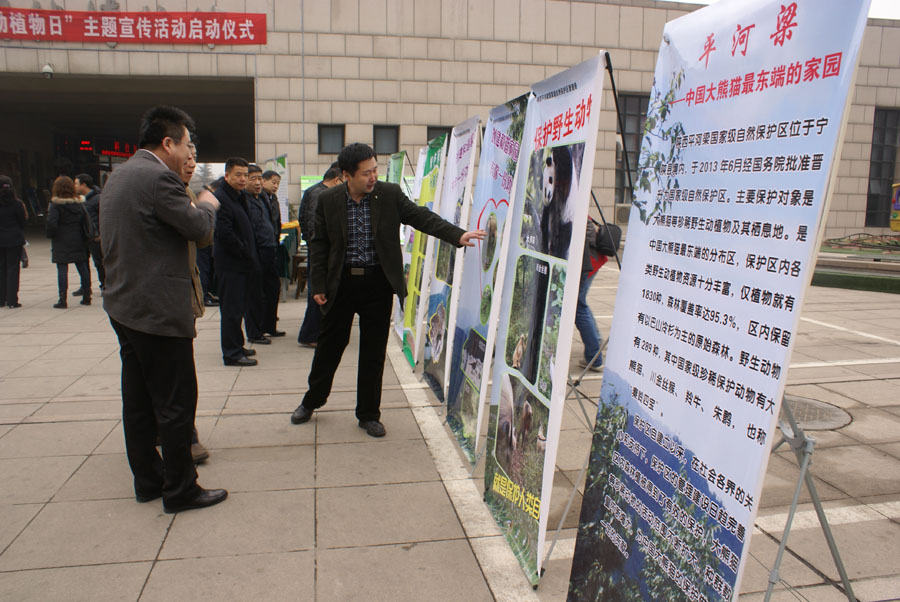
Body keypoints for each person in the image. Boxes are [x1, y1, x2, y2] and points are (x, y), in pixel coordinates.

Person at [290, 143, 484, 437]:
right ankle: (312, 400)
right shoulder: (328, 201)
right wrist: (318, 284)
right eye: (366, 173)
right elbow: (319, 245)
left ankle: (369, 414)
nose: (372, 177)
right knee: (329, 349)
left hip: (377, 285)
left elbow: (421, 217)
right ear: (346, 175)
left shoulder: (388, 194)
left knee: (373, 352)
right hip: (340, 285)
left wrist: (458, 235)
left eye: (375, 170)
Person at [100, 105, 226, 513]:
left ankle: (148, 481)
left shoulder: (120, 175)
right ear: (168, 143)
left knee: (138, 403)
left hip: (124, 305)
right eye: (188, 145)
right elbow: (200, 231)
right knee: (175, 405)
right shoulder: (160, 179)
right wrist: (207, 203)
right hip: (157, 312)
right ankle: (181, 490)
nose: (190, 153)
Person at [179, 144, 212, 464]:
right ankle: (184, 437)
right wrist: (206, 207)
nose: (191, 163)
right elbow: (202, 232)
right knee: (179, 376)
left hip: (176, 294)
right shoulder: (166, 187)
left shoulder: (182, 188)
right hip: (166, 302)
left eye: (194, 159)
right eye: (185, 155)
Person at [213, 157, 262, 366]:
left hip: (242, 264)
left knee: (238, 308)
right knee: (231, 311)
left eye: (245, 175)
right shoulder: (222, 198)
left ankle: (238, 345)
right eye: (238, 175)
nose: (243, 179)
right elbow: (224, 233)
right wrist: (244, 251)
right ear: (227, 175)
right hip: (231, 265)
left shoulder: (238, 196)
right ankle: (231, 353)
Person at [297, 166, 343, 347]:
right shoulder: (320, 195)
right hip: (320, 253)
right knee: (318, 292)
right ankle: (310, 334)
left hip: (318, 250)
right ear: (337, 179)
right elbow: (313, 226)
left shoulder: (313, 191)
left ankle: (316, 332)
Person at [246, 165, 285, 340]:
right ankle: (256, 331)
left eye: (259, 178)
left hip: (270, 248)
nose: (258, 182)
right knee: (257, 294)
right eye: (253, 178)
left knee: (272, 289)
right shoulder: (246, 199)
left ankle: (270, 325)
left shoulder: (267, 199)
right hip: (257, 252)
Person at [46, 176, 92, 309]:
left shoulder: (56, 205)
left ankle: (62, 299)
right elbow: (84, 221)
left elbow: (52, 224)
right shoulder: (79, 204)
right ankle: (87, 296)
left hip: (61, 240)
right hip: (78, 239)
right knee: (82, 267)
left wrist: (51, 235)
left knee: (62, 268)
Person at [576, 218, 608, 371]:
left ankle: (594, 358)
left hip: (586, 263)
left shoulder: (573, 205)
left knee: (578, 308)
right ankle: (596, 343)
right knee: (581, 305)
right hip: (588, 261)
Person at [74, 173, 105, 293]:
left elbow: (104, 216)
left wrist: (101, 233)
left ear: (83, 185)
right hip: (83, 236)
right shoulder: (79, 200)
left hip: (95, 237)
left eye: (76, 183)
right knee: (82, 262)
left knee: (100, 263)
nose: (74, 186)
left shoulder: (98, 198)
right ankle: (85, 286)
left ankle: (104, 285)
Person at [0, 175, 26, 308]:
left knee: (1, 268)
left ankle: (1, 298)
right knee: (13, 269)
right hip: (14, 239)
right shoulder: (17, 203)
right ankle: (12, 300)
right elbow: (22, 222)